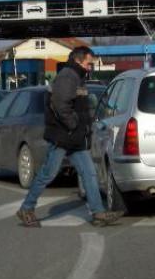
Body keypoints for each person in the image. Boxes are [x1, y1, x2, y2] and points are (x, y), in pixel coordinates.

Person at [16, 46, 122, 228]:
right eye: (89, 63)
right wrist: (74, 125)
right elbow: (60, 105)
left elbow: (76, 106)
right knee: (47, 174)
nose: (90, 67)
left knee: (89, 173)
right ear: (79, 60)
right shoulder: (68, 76)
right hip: (63, 137)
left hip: (74, 138)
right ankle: (26, 208)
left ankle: (98, 214)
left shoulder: (77, 76)